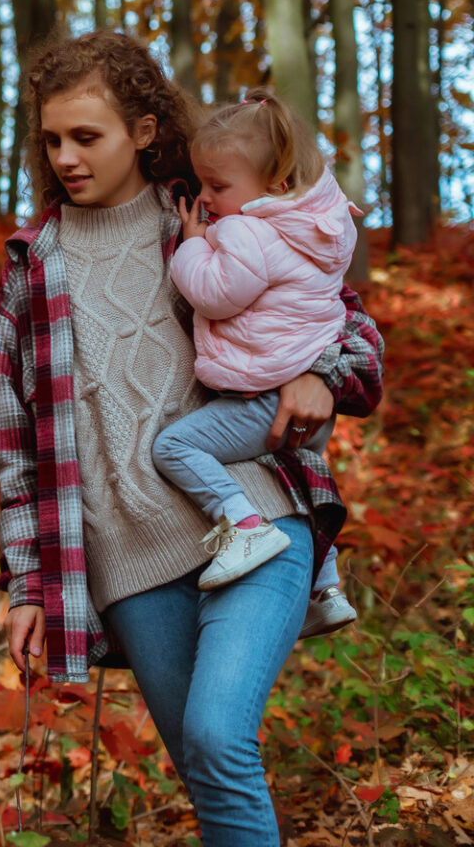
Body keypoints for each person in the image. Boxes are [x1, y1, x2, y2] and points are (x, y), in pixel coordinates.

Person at [0, 33, 383, 847]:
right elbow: (18, 444)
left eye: (87, 136)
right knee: (208, 773)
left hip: (257, 519)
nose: (66, 155)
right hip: (130, 564)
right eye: (52, 139)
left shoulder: (206, 216)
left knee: (217, 737)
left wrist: (324, 375)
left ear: (140, 131)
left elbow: (343, 318)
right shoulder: (32, 268)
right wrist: (28, 582)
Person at [154, 90, 359, 634]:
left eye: (218, 187)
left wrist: (193, 245)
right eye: (201, 184)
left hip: (266, 397)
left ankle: (243, 524)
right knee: (299, 476)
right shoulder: (320, 227)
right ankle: (327, 589)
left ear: (276, 184)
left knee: (174, 445)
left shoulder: (247, 229)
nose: (205, 197)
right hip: (311, 399)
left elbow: (216, 295)